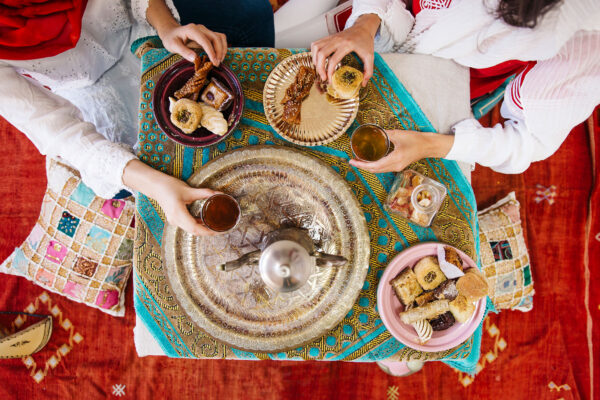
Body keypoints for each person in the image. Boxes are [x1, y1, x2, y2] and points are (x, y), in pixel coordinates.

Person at [0, 0, 274, 236]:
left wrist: (167, 26)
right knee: (154, 180)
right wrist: (158, 186)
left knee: (252, 12)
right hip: (93, 91)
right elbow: (65, 138)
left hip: (144, 25)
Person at [308, 0, 600, 174]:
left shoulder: (587, 31)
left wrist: (429, 145)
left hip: (444, 81)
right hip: (378, 22)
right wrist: (366, 21)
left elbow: (528, 140)